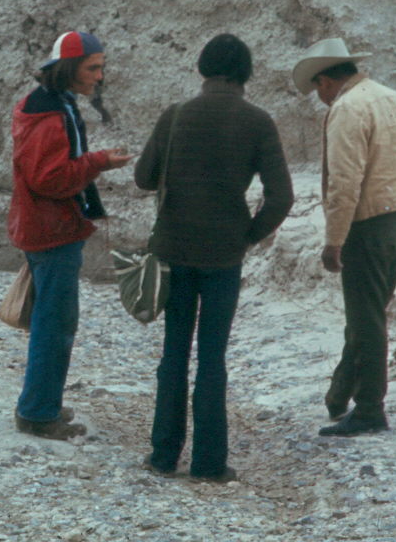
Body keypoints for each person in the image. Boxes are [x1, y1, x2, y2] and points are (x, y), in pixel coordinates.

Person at [135, 34, 294, 482]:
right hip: (224, 255)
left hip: (172, 249)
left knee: (173, 352)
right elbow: (281, 197)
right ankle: (208, 463)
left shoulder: (175, 115)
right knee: (212, 358)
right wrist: (247, 235)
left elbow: (144, 177)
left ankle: (163, 455)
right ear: (245, 73)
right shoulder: (259, 122)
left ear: (203, 68)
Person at [292, 38, 396, 437]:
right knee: (368, 313)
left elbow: (344, 183)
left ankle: (369, 409)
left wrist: (334, 240)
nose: (320, 98)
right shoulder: (390, 97)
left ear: (327, 80)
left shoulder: (348, 108)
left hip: (367, 225)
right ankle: (340, 393)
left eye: (318, 90)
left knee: (365, 320)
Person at [9, 30, 132, 440]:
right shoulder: (51, 113)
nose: (99, 76)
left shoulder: (47, 103)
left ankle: (40, 402)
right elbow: (49, 179)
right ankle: (38, 413)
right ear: (70, 68)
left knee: (51, 319)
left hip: (45, 226)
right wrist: (99, 162)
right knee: (54, 324)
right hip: (52, 230)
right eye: (93, 67)